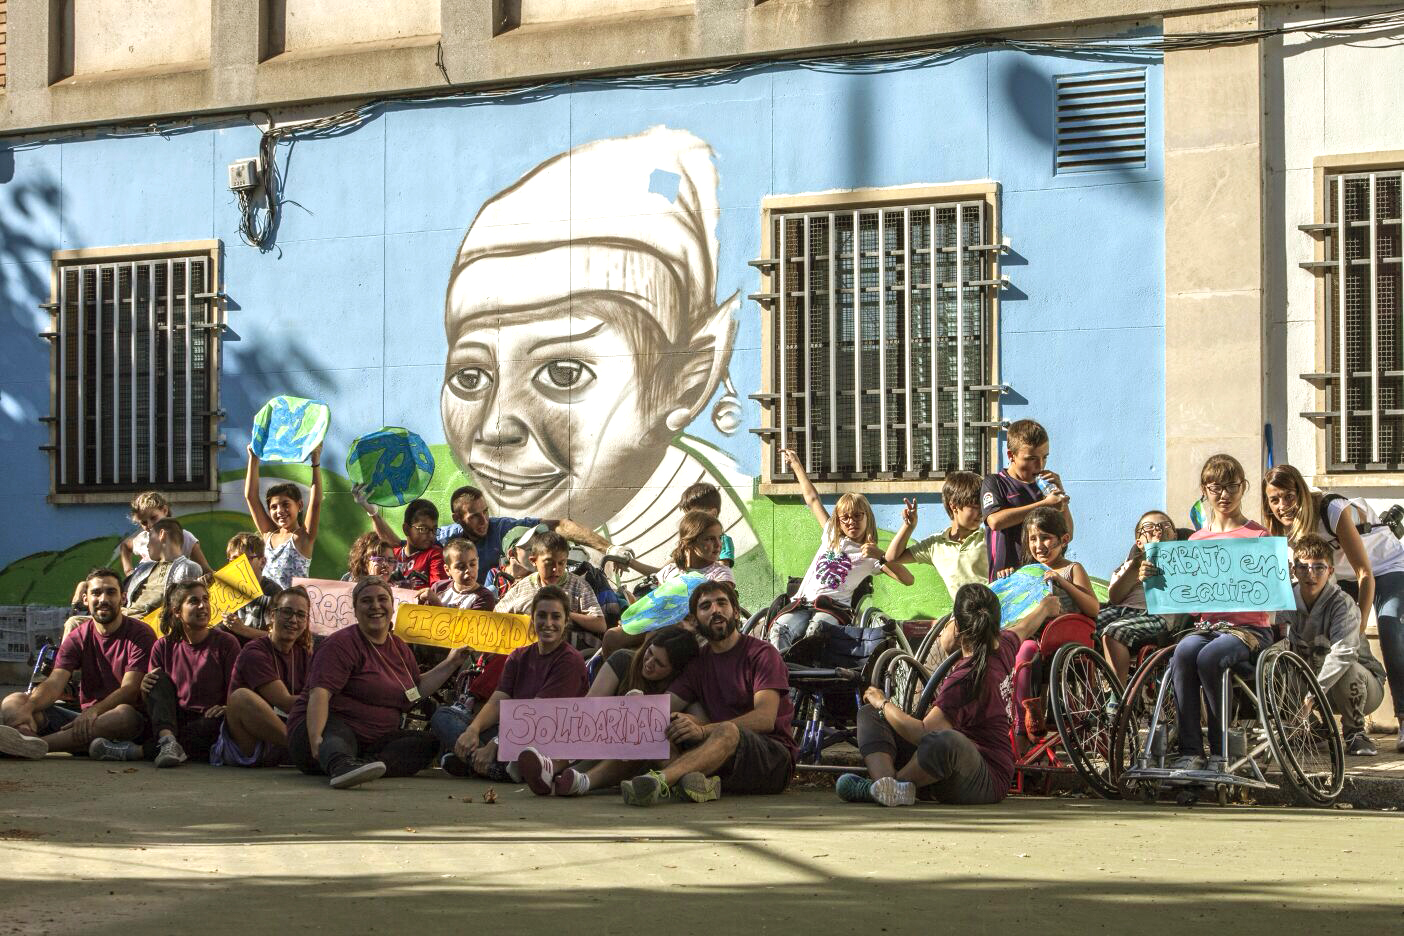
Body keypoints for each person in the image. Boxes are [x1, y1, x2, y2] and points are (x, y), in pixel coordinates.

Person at [438, 127, 759, 576]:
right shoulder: (509, 536)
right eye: (470, 377)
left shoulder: (723, 553)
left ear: (687, 380)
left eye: (564, 372)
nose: (495, 427)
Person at [544, 580, 794, 804]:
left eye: (722, 603)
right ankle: (582, 781)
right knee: (651, 722)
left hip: (770, 759)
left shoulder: (761, 653)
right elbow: (664, 708)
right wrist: (639, 711)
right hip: (718, 762)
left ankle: (659, 781)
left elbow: (764, 718)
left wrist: (703, 729)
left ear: (735, 612)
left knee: (727, 730)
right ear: (695, 621)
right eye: (706, 606)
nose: (715, 609)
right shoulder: (699, 662)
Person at [838, 587, 1063, 806]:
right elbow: (1024, 627)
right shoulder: (1003, 646)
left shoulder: (966, 678)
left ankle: (888, 786)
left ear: (956, 627)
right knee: (871, 714)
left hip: (984, 780)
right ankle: (886, 787)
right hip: (948, 769)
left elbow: (923, 733)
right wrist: (1045, 607)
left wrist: (884, 703)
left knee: (943, 740)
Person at [1263, 463, 1404, 752]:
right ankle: (1312, 726)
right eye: (1274, 499)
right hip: (1339, 574)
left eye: (1288, 496)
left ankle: (1403, 718)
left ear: (1301, 492)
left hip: (1384, 568)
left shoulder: (1331, 509)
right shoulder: (1279, 526)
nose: (1282, 506)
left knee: (1390, 627)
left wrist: (1360, 627)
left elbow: (1365, 573)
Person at [1151, 454, 1276, 772]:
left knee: (1209, 656)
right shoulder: (1195, 540)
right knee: (1183, 652)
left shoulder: (1258, 537)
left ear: (1243, 488)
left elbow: (1267, 598)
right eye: (1216, 487)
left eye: (1231, 486)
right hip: (1208, 627)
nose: (1224, 494)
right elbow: (1191, 604)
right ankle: (1191, 749)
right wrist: (1155, 579)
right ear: (1204, 490)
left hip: (1248, 630)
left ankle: (1220, 751)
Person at [286, 576, 467, 789]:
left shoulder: (400, 648)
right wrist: (316, 737)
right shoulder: (340, 644)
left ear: (392, 606)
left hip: (372, 742)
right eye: (366, 601)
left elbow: (414, 690)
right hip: (325, 731)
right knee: (335, 732)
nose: (376, 606)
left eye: (382, 599)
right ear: (355, 609)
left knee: (426, 744)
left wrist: (453, 662)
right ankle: (340, 765)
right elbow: (320, 694)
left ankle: (363, 766)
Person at [768, 448, 913, 657]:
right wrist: (797, 466)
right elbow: (812, 499)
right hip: (802, 603)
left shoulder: (870, 555)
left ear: (867, 518)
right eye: (845, 518)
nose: (851, 522)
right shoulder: (830, 534)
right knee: (779, 629)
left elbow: (908, 579)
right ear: (839, 521)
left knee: (815, 631)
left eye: (857, 516)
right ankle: (780, 677)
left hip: (833, 610)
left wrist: (879, 554)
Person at [0, 569, 153, 760]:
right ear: (86, 599)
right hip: (79, 723)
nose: (103, 599)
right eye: (96, 593)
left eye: (111, 592)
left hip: (119, 722)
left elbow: (130, 690)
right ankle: (26, 737)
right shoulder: (78, 635)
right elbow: (55, 682)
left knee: (124, 715)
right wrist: (28, 707)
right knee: (14, 701)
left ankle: (38, 745)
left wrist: (94, 711)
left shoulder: (140, 634)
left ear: (123, 599)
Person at [443, 586, 589, 782]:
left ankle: (488, 765)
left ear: (566, 621)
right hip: (510, 731)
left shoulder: (569, 660)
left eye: (556, 617)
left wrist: (495, 744)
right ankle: (485, 763)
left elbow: (537, 715)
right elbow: (497, 702)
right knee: (443, 717)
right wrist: (473, 731)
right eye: (542, 616)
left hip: (547, 739)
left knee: (522, 750)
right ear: (532, 619)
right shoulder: (518, 656)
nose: (548, 623)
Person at [1280, 535, 1387, 757]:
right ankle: (1312, 730)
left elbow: (1344, 653)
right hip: (1313, 685)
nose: (1311, 574)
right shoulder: (1284, 600)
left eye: (1319, 567)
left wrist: (1310, 697)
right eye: (1303, 567)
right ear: (1293, 570)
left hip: (1362, 688)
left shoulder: (1342, 604)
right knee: (1276, 664)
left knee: (1346, 664)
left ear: (1330, 571)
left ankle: (1355, 732)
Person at [1010, 507, 1099, 740]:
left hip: (1063, 640)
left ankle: (1027, 721)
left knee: (1028, 650)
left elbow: (1093, 608)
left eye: (1045, 537)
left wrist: (1061, 581)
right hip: (1031, 637)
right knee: (1023, 651)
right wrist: (1009, 579)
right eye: (1033, 539)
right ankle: (1023, 719)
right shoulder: (1028, 572)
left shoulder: (1073, 569)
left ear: (1064, 539)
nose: (1039, 545)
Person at [140, 580, 243, 767]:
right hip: (172, 721)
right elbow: (154, 701)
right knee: (155, 679)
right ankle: (168, 742)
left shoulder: (226, 643)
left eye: (205, 599)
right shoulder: (162, 646)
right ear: (177, 611)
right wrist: (144, 687)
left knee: (210, 726)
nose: (203, 606)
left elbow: (237, 690)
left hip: (209, 721)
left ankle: (138, 750)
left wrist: (228, 707)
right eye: (194, 601)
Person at [426, 485, 612, 586]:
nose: (484, 520)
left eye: (485, 512)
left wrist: (609, 548)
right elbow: (407, 544)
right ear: (457, 518)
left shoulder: (503, 528)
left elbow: (559, 525)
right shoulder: (444, 538)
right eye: (474, 516)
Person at [211, 586, 313, 768]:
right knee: (241, 697)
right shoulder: (255, 651)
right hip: (251, 743)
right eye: (287, 612)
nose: (293, 620)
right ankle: (306, 752)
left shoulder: (303, 654)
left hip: (288, 732)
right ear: (272, 616)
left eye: (300, 615)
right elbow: (285, 701)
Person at [1095, 510, 1187, 683]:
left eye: (1164, 525)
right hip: (1121, 610)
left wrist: (1161, 556)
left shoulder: (1182, 562)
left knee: (1114, 631)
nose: (1157, 530)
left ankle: (1117, 697)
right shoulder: (1130, 564)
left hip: (1155, 615)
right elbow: (1115, 598)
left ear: (1174, 536)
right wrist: (1135, 568)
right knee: (1084, 624)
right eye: (1149, 527)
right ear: (1138, 542)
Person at [981, 419, 1074, 579]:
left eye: (1044, 457)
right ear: (1011, 455)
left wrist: (1061, 501)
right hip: (1006, 577)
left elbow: (1068, 534)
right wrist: (1045, 504)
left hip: (1042, 577)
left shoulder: (1046, 487)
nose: (1040, 465)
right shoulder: (996, 482)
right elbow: (995, 521)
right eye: (1031, 459)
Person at [883, 471, 990, 595]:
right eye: (975, 506)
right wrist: (909, 526)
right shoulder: (935, 545)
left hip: (995, 612)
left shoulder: (990, 537)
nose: (981, 512)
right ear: (954, 506)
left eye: (983, 506)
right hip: (963, 613)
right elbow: (891, 558)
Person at [496, 530, 605, 650]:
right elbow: (495, 617)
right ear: (534, 561)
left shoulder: (578, 586)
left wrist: (565, 615)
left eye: (561, 563)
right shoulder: (521, 588)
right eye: (549, 563)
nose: (556, 569)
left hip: (567, 654)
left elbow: (600, 624)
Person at [244, 444, 323, 588]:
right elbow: (251, 497)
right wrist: (253, 459)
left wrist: (315, 462)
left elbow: (316, 503)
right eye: (273, 507)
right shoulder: (268, 535)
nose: (280, 511)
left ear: (299, 505)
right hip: (269, 608)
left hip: (293, 607)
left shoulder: (303, 537)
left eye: (286, 504)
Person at [587, 625, 701, 698]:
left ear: (674, 671)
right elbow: (590, 704)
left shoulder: (680, 684)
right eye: (650, 652)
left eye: (659, 663)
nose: (648, 663)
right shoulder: (622, 660)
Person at [359, 497, 447, 589]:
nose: (431, 535)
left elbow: (438, 591)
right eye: (423, 529)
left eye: (434, 529)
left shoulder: (435, 554)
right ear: (406, 529)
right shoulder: (393, 553)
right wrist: (372, 511)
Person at [117, 490, 212, 575]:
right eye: (144, 522)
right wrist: (129, 571)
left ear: (165, 510)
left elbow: (206, 570)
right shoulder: (143, 539)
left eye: (153, 518)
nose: (150, 525)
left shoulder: (185, 537)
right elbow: (125, 546)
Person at [124, 518, 204, 616]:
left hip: (145, 624)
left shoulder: (188, 567)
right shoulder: (145, 567)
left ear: (162, 535)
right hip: (123, 616)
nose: (147, 545)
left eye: (150, 537)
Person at [218, 532, 282, 641]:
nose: (239, 565)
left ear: (262, 562)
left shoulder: (272, 592)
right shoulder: (223, 588)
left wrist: (243, 629)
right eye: (234, 560)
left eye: (246, 559)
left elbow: (279, 637)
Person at [417, 538, 496, 610]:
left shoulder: (484, 597)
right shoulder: (439, 588)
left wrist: (435, 602)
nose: (468, 570)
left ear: (478, 563)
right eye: (461, 567)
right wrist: (420, 601)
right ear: (447, 570)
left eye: (472, 564)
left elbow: (465, 625)